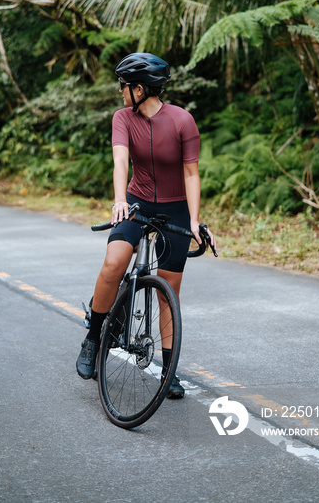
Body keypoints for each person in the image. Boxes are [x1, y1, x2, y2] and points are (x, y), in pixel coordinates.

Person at [76, 52, 216, 398]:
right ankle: (93, 339)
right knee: (113, 263)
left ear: (139, 89)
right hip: (136, 201)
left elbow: (191, 173)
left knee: (168, 291)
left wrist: (195, 220)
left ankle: (169, 372)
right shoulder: (122, 118)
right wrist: (120, 199)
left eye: (123, 86)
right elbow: (120, 159)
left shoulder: (183, 121)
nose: (120, 92)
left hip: (175, 209)